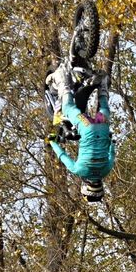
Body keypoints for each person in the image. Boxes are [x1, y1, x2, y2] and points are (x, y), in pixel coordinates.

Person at [45, 62, 115, 202]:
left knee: (104, 108)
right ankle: (62, 78)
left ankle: (102, 84)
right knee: (68, 108)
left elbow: (112, 151)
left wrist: (110, 140)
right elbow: (62, 155)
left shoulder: (106, 170)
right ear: (86, 188)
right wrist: (52, 141)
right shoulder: (79, 170)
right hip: (86, 126)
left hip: (102, 125)